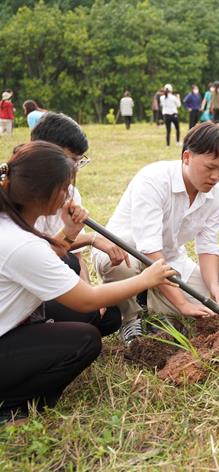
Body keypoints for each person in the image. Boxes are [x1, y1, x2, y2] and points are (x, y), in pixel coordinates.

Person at [0, 141, 175, 422]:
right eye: (66, 187)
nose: (70, 194)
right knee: (86, 339)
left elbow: (47, 257)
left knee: (100, 318)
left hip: (11, 320)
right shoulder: (19, 241)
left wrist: (70, 232)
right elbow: (87, 298)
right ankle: (10, 406)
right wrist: (145, 278)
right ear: (47, 193)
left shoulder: (11, 219)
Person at [93, 122, 219, 345]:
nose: (215, 176)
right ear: (187, 157)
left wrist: (214, 287)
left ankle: (146, 295)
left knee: (212, 305)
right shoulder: (153, 180)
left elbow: (207, 246)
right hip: (127, 253)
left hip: (169, 260)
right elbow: (148, 250)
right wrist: (182, 304)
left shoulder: (214, 194)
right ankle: (130, 316)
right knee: (120, 265)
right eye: (210, 167)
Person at [31, 112, 130, 336]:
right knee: (86, 334)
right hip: (25, 284)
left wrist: (88, 292)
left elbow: (76, 258)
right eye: (71, 160)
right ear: (43, 151)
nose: (75, 170)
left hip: (50, 275)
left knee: (108, 317)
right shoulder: (20, 192)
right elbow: (37, 256)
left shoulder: (70, 193)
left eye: (79, 161)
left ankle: (51, 324)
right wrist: (90, 238)